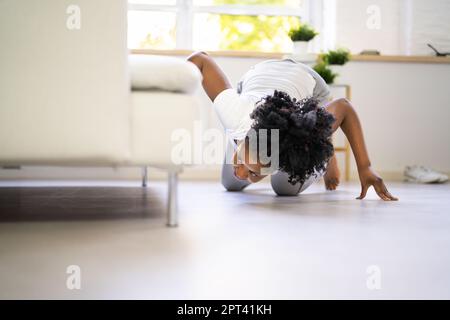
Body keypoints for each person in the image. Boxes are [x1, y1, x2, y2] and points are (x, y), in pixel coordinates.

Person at [187, 51, 397, 201]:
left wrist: (365, 167)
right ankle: (242, 147)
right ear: (244, 138)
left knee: (284, 189)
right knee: (230, 184)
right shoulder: (234, 113)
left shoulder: (298, 135)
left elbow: (343, 107)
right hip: (260, 74)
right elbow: (201, 59)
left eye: (253, 173)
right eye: (240, 158)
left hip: (310, 85)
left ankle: (324, 152)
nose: (242, 173)